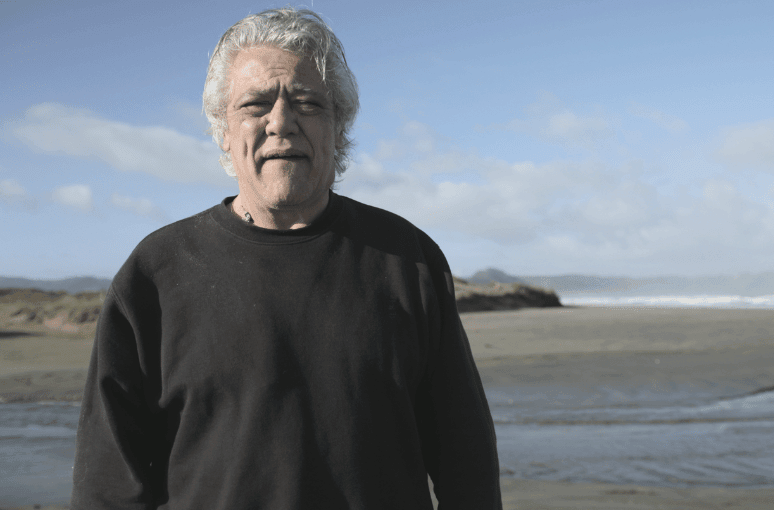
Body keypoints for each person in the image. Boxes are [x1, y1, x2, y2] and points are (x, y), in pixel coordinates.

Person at [70, 7, 502, 509]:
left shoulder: (409, 261)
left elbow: (466, 463)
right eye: (255, 104)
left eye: (307, 102)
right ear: (224, 131)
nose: (281, 122)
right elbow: (107, 483)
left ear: (338, 125)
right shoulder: (155, 274)